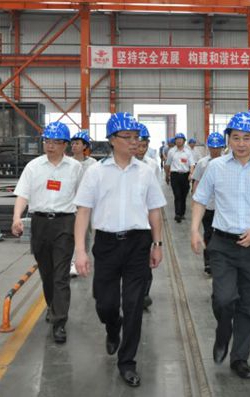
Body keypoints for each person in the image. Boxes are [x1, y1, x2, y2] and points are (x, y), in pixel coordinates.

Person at [73, 112, 166, 388]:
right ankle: (113, 327)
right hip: (107, 244)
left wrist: (157, 244)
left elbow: (155, 210)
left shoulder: (146, 172)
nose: (134, 142)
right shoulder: (96, 172)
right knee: (106, 303)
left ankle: (127, 362)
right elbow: (83, 212)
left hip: (138, 243)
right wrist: (80, 251)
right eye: (128, 137)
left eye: (136, 137)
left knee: (134, 305)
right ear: (112, 140)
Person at [190, 111, 250, 380]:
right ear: (228, 140)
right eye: (235, 138)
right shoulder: (216, 167)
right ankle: (223, 331)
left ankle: (239, 357)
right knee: (223, 299)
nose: (241, 143)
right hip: (223, 244)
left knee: (248, 306)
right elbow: (200, 199)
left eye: (246, 138)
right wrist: (194, 229)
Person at [11, 121, 82, 344]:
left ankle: (59, 322)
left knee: (61, 275)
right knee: (47, 274)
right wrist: (16, 218)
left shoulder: (75, 168)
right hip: (40, 223)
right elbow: (23, 194)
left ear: (65, 145)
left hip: (65, 223)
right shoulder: (33, 167)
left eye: (56, 142)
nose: (50, 146)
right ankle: (52, 306)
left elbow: (83, 199)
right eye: (47, 141)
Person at [191, 132, 226, 274]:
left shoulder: (228, 163)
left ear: (222, 148)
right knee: (209, 234)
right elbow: (196, 182)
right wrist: (195, 200)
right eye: (212, 147)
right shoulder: (202, 163)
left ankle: (222, 261)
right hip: (208, 206)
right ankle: (209, 262)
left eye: (218, 148)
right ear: (208, 147)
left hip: (224, 207)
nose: (215, 150)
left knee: (223, 236)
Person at [136, 123, 160, 310]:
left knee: (144, 260)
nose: (140, 149)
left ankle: (144, 294)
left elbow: (155, 196)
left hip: (145, 220)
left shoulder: (152, 166)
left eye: (144, 146)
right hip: (128, 220)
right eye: (138, 145)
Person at [69, 130, 99, 277]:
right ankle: (74, 262)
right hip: (73, 205)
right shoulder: (68, 163)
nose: (74, 146)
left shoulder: (93, 164)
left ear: (85, 146)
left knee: (94, 233)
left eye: (77, 143)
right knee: (76, 234)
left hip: (91, 204)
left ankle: (90, 258)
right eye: (72, 143)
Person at [165, 133, 195, 223]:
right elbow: (167, 164)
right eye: (177, 139)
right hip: (175, 175)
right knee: (177, 195)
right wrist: (167, 175)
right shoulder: (171, 152)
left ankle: (182, 213)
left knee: (183, 195)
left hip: (185, 176)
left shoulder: (188, 152)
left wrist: (191, 173)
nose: (178, 141)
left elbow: (192, 164)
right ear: (175, 141)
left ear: (184, 141)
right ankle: (177, 214)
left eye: (180, 139)